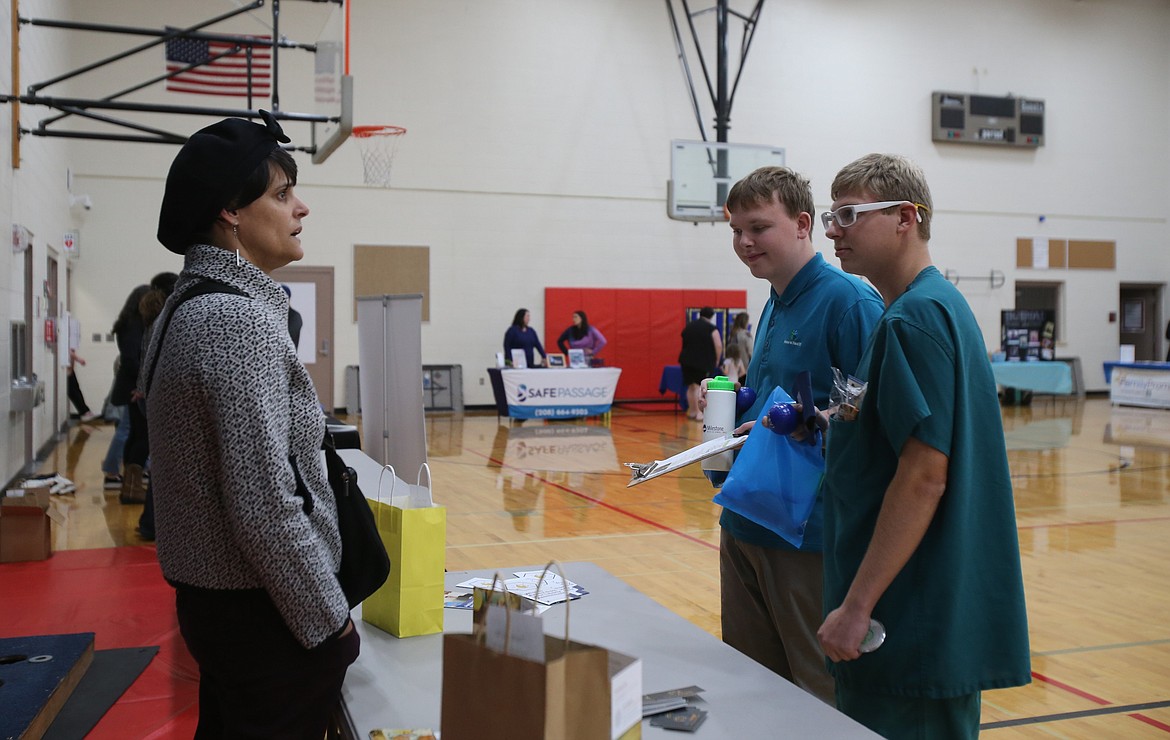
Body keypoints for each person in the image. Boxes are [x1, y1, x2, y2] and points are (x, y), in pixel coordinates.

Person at [143, 111, 357, 737]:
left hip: (227, 606)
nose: (301, 209)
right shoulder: (233, 322)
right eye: (283, 194)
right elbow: (264, 502)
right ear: (230, 212)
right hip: (265, 614)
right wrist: (329, 622)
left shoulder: (194, 307)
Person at [817, 153, 1030, 738]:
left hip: (906, 616)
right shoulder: (934, 308)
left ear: (905, 217)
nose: (833, 230)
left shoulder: (914, 320)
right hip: (924, 611)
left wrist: (857, 607)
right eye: (830, 216)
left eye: (849, 215)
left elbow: (923, 476)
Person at [706, 166, 883, 705]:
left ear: (803, 223)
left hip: (807, 538)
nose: (744, 242)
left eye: (758, 227)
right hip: (745, 520)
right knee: (751, 687)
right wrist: (742, 404)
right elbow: (771, 399)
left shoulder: (849, 303)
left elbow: (871, 419)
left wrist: (815, 423)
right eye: (736, 230)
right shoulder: (774, 301)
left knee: (814, 694)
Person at [108, 284, 150, 498]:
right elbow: (132, 359)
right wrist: (142, 385)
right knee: (140, 435)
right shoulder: (134, 325)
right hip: (134, 387)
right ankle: (130, 484)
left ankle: (129, 484)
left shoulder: (127, 323)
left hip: (130, 384)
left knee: (132, 433)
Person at [678, 306, 722, 421]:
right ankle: (699, 413)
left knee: (691, 386)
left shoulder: (689, 326)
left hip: (686, 360)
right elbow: (718, 345)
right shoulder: (711, 328)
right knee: (699, 386)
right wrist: (717, 360)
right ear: (711, 316)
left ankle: (692, 411)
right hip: (702, 362)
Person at [66, 349, 99, 423]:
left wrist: (72, 367)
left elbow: (71, 352)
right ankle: (84, 411)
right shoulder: (68, 339)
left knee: (76, 389)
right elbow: (68, 351)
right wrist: (79, 359)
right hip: (66, 368)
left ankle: (85, 411)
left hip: (69, 368)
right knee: (73, 391)